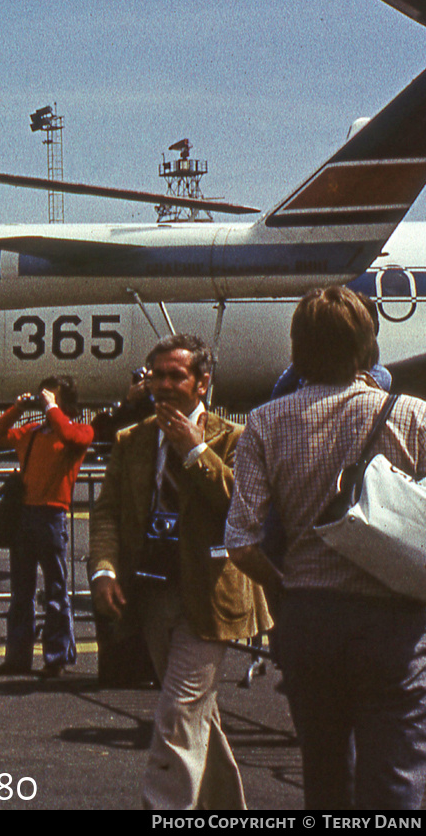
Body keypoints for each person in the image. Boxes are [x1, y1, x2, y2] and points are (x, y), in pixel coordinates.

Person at [227, 286, 426, 809]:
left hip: (308, 620)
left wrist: (287, 587)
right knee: (395, 771)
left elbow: (241, 542)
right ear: (369, 349)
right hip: (395, 620)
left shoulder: (264, 424)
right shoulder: (415, 416)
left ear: (296, 352)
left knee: (323, 772)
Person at [89, 334, 271, 810]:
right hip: (151, 594)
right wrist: (104, 570)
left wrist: (194, 452)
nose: (164, 385)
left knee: (177, 713)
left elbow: (241, 506)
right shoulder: (132, 441)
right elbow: (107, 512)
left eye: (176, 376)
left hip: (208, 598)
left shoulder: (234, 439)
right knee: (194, 715)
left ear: (202, 382)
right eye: (157, 376)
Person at [0, 375, 91, 679]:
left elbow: (73, 439)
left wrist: (52, 409)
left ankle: (56, 657)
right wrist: (17, 408)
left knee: (56, 590)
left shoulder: (78, 429)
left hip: (52, 517)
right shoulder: (32, 432)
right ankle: (17, 657)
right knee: (21, 592)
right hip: (26, 515)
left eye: (52, 398)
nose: (45, 403)